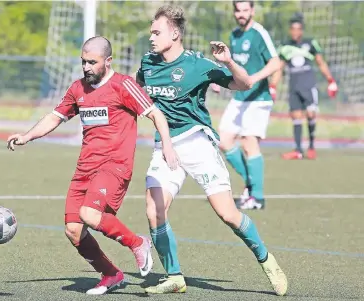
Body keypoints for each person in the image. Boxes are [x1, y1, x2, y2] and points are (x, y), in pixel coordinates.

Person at [7, 36, 179, 295]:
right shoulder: (78, 89)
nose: (86, 67)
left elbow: (155, 113)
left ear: (108, 61)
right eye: (83, 61)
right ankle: (112, 274)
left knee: (89, 214)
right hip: (84, 168)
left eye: (92, 62)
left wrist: (166, 144)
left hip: (114, 166)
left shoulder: (124, 85)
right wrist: (27, 136)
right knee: (74, 231)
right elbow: (56, 116)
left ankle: (138, 243)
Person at [135, 5, 287, 296]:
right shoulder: (148, 63)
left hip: (197, 143)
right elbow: (135, 89)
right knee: (154, 210)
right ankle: (175, 276)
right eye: (151, 32)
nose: (151, 37)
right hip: (165, 146)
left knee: (228, 214)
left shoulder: (197, 64)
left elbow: (243, 84)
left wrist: (229, 62)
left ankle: (267, 260)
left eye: (157, 32)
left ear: (175, 34)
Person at [214, 0, 281, 210]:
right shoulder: (234, 35)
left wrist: (254, 78)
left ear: (252, 11)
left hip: (259, 98)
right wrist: (220, 81)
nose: (242, 14)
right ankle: (251, 185)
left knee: (248, 142)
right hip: (240, 98)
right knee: (223, 140)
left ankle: (257, 198)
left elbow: (275, 62)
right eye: (238, 10)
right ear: (234, 12)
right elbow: (235, 67)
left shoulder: (259, 33)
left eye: (245, 10)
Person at [270, 13, 338, 160]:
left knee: (311, 114)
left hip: (308, 86)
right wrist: (273, 86)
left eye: (298, 29)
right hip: (294, 87)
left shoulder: (310, 44)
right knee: (295, 116)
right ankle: (298, 150)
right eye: (292, 29)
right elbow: (279, 68)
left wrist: (331, 81)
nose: (295, 32)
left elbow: (321, 63)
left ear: (301, 30)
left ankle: (312, 146)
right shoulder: (285, 47)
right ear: (290, 30)